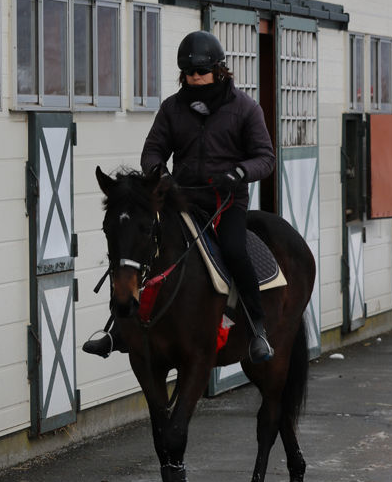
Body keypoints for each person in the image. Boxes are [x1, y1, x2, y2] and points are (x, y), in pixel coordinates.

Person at [83, 30, 275, 363]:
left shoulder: (245, 108)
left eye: (201, 72)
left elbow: (265, 157)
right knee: (137, 245)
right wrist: (164, 176)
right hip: (182, 199)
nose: (195, 78)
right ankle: (116, 328)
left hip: (226, 201)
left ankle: (257, 327)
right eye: (189, 73)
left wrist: (241, 172)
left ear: (218, 70)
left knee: (232, 249)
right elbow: (153, 151)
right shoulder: (172, 108)